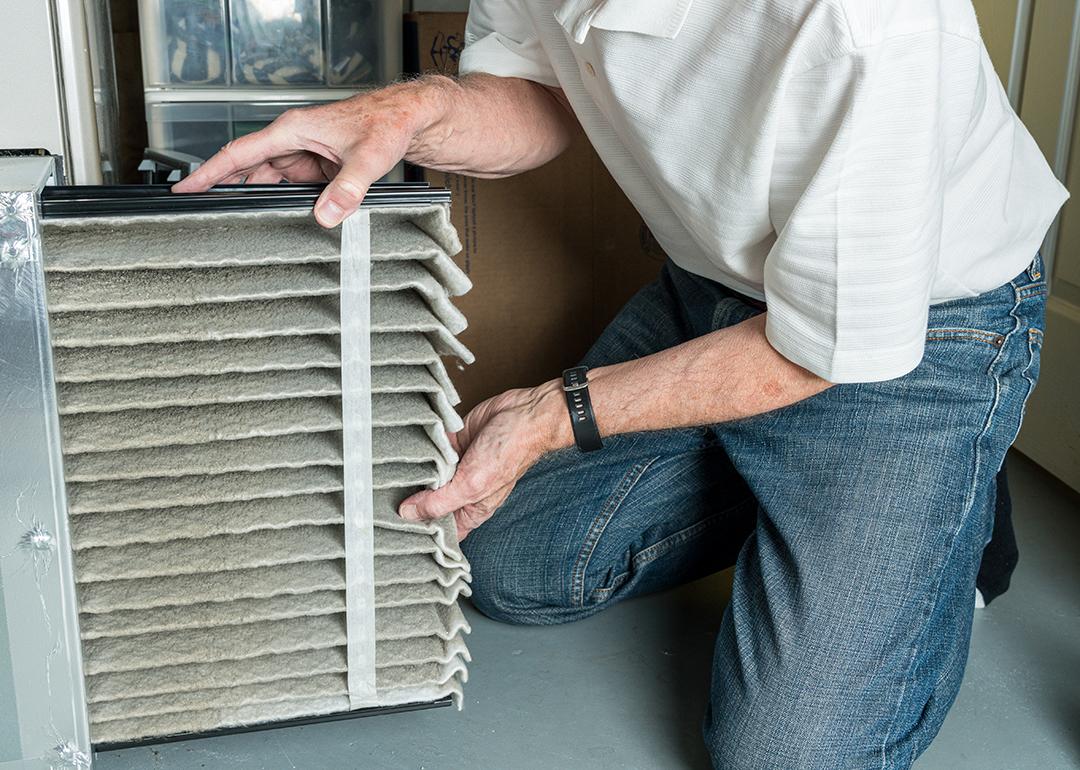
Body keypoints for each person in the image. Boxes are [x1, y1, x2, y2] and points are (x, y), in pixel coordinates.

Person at [175, 1, 1068, 766]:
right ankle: (808, 493)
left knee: (791, 756)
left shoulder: (868, 21)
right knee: (504, 561)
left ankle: (952, 493)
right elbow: (542, 94)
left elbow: (824, 343)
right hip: (713, 291)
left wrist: (549, 416)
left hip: (910, 328)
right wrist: (414, 113)